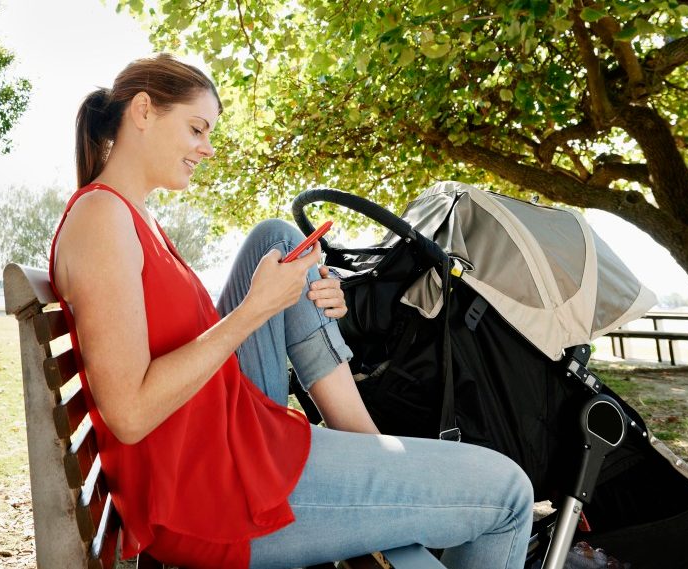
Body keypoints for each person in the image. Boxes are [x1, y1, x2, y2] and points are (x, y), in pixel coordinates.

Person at [49, 53, 533, 569]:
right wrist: (257, 309)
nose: (206, 149)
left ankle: (366, 442)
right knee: (509, 493)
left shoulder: (131, 217)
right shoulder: (103, 218)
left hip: (230, 446)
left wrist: (301, 295)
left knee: (278, 239)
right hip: (216, 498)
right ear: (143, 111)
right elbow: (129, 414)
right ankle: (378, 458)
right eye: (196, 129)